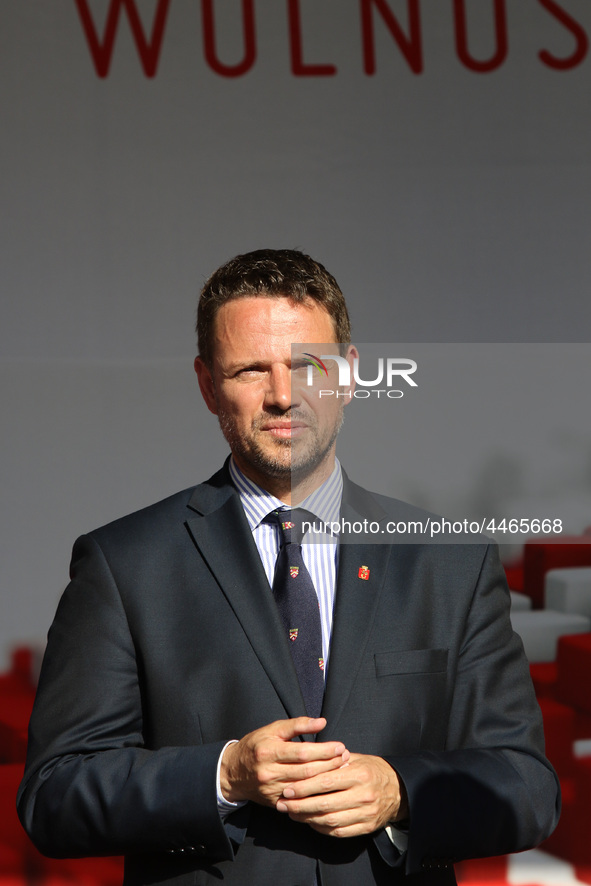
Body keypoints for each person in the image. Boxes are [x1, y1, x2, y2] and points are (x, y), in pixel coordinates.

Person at [18, 249, 559, 886]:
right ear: (206, 383)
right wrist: (223, 775)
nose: (283, 395)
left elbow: (526, 786)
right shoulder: (123, 564)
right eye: (251, 369)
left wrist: (400, 791)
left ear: (350, 375)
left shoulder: (449, 561)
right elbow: (54, 795)